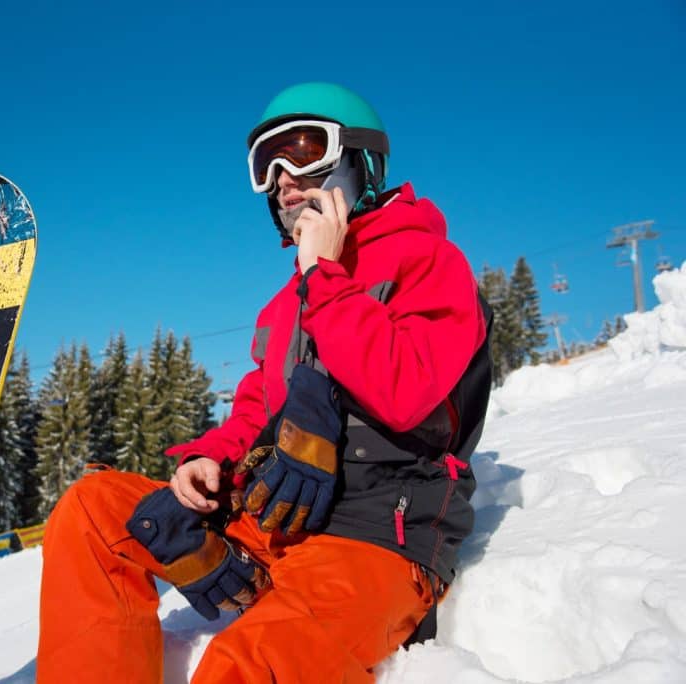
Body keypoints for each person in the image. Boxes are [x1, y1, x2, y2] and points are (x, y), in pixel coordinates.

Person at [36, 82, 492, 683]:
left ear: (360, 164)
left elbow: (404, 393)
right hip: (278, 518)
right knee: (94, 512)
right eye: (266, 164)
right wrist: (212, 457)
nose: (283, 177)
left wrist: (325, 276)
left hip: (376, 534)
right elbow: (259, 408)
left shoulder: (428, 263)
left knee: (245, 669)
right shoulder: (288, 302)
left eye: (303, 151)